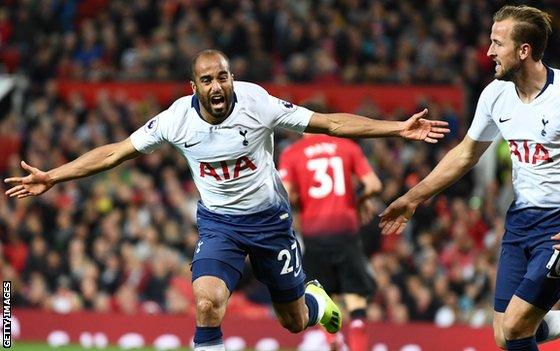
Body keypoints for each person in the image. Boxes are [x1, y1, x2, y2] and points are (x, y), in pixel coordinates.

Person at [4, 49, 450, 351]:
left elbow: (329, 123)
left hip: (271, 222)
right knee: (206, 302)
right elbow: (115, 151)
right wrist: (54, 177)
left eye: (222, 76)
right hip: (219, 225)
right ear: (193, 86)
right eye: (206, 80)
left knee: (293, 322)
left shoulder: (257, 103)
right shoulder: (176, 119)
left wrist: (395, 127)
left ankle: (317, 301)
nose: (217, 86)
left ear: (231, 78)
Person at [379, 5, 560, 351]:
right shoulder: (495, 94)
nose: (488, 51)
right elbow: (465, 154)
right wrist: (412, 198)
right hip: (521, 219)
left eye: (497, 43)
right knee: (504, 336)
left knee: (518, 326)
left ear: (524, 51)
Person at [279, 133, 381, 351]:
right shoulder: (347, 146)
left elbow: (284, 195)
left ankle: (332, 340)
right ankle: (357, 338)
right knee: (356, 300)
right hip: (346, 234)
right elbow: (373, 184)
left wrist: (298, 203)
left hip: (314, 236)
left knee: (323, 296)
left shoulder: (292, 153)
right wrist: (360, 201)